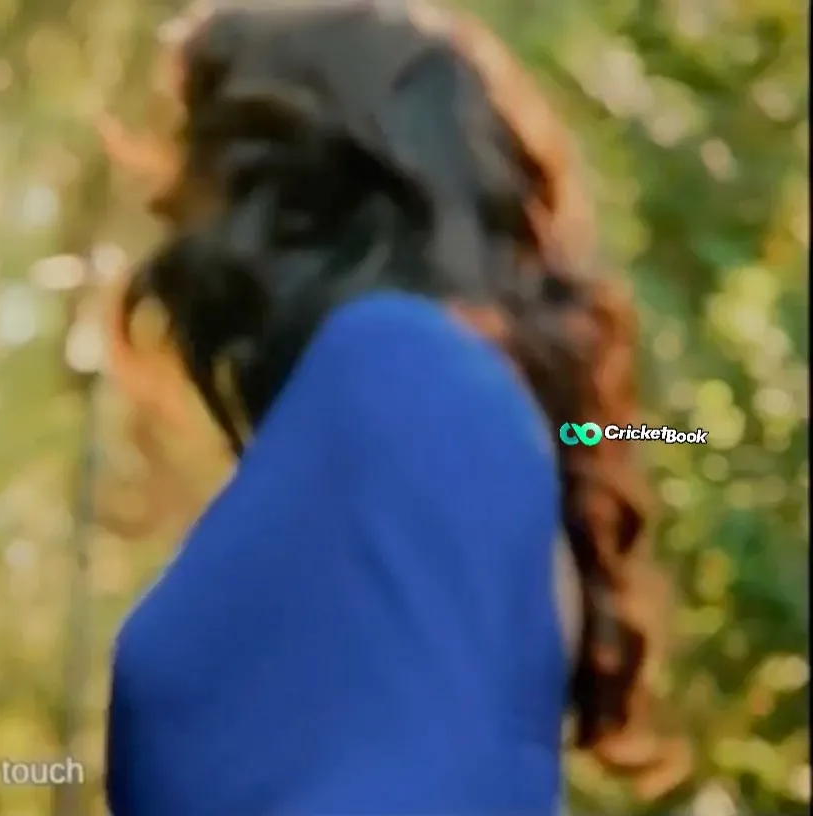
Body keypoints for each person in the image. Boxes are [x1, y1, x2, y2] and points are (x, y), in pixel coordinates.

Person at [98, 0, 689, 812]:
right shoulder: (415, 404)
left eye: (200, 149)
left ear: (292, 183)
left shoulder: (402, 372)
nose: (166, 204)